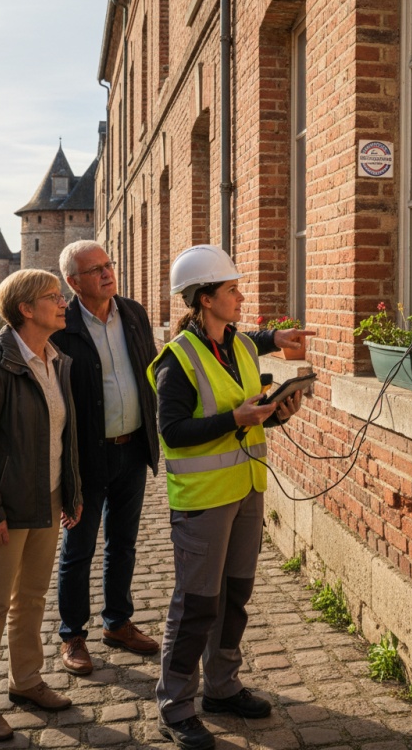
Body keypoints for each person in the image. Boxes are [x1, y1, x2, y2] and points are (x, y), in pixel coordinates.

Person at [148, 244, 313, 750]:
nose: (242, 297)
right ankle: (175, 706)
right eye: (232, 290)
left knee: (235, 595)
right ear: (204, 299)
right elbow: (173, 431)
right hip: (202, 497)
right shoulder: (178, 358)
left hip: (246, 489)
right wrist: (234, 419)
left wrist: (276, 411)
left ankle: (221, 688)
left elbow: (249, 396)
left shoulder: (239, 346)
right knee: (196, 603)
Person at [0, 269, 83, 742]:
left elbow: (61, 436)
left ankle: (26, 681)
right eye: (54, 297)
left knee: (30, 599)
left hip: (47, 498)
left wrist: (70, 492)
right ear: (26, 309)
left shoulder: (55, 358)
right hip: (4, 509)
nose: (63, 302)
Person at [53, 240, 161, 676]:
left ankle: (117, 622)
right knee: (78, 550)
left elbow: (153, 368)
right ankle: (72, 634)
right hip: (86, 457)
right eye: (94, 269)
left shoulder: (133, 313)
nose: (106, 273)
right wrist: (64, 470)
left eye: (108, 264)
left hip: (132, 448)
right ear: (73, 283)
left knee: (123, 544)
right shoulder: (62, 325)